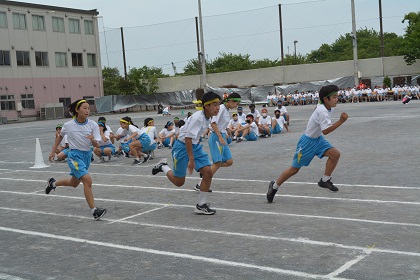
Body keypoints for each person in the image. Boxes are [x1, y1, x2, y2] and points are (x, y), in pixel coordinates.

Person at [266, 85, 348, 203]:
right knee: (294, 170)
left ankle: (325, 180)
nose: (337, 99)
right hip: (307, 143)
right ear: (326, 99)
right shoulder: (322, 111)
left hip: (318, 140)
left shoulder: (326, 105)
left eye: (337, 96)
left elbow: (319, 104)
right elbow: (326, 131)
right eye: (334, 97)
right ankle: (274, 187)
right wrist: (341, 121)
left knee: (335, 154)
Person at [152, 90, 221, 215]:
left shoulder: (209, 116)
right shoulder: (198, 118)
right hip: (182, 147)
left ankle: (200, 205)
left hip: (194, 146)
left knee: (208, 173)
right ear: (207, 106)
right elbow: (188, 138)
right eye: (215, 104)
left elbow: (193, 138)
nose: (218, 107)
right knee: (179, 182)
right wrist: (191, 159)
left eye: (219, 104)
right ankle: (163, 166)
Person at [46, 99, 106, 220]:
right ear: (77, 110)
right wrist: (53, 151)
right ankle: (94, 211)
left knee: (74, 183)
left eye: (88, 108)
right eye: (84, 108)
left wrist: (93, 140)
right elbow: (60, 136)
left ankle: (53, 183)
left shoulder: (93, 124)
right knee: (87, 180)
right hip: (74, 156)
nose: (87, 110)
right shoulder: (68, 125)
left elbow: (97, 145)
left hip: (87, 156)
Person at [194, 92, 241, 191]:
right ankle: (200, 184)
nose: (237, 106)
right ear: (232, 101)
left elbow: (222, 124)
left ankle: (207, 168)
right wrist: (219, 137)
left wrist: (227, 131)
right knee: (218, 162)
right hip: (216, 136)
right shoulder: (221, 108)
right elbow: (213, 123)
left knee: (229, 161)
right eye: (237, 103)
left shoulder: (226, 110)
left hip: (222, 135)